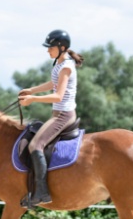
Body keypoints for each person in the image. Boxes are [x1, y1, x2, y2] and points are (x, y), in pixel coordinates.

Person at [17, 29, 84, 208]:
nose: (48, 51)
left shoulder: (67, 67)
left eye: (51, 48)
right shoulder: (60, 63)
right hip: (59, 114)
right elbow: (52, 83)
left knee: (35, 145)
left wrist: (33, 100)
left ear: (62, 47)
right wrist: (32, 90)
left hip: (63, 116)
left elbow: (58, 96)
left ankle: (41, 193)